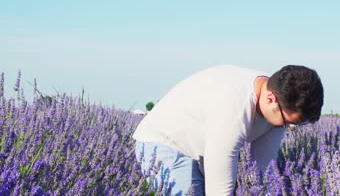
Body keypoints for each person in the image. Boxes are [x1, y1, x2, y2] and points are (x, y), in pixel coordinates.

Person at [132, 65, 324, 195]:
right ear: (270, 99)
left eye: (297, 124)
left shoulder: (281, 106)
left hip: (199, 147)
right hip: (164, 142)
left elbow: (259, 172)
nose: (290, 129)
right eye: (287, 122)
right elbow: (220, 189)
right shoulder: (233, 109)